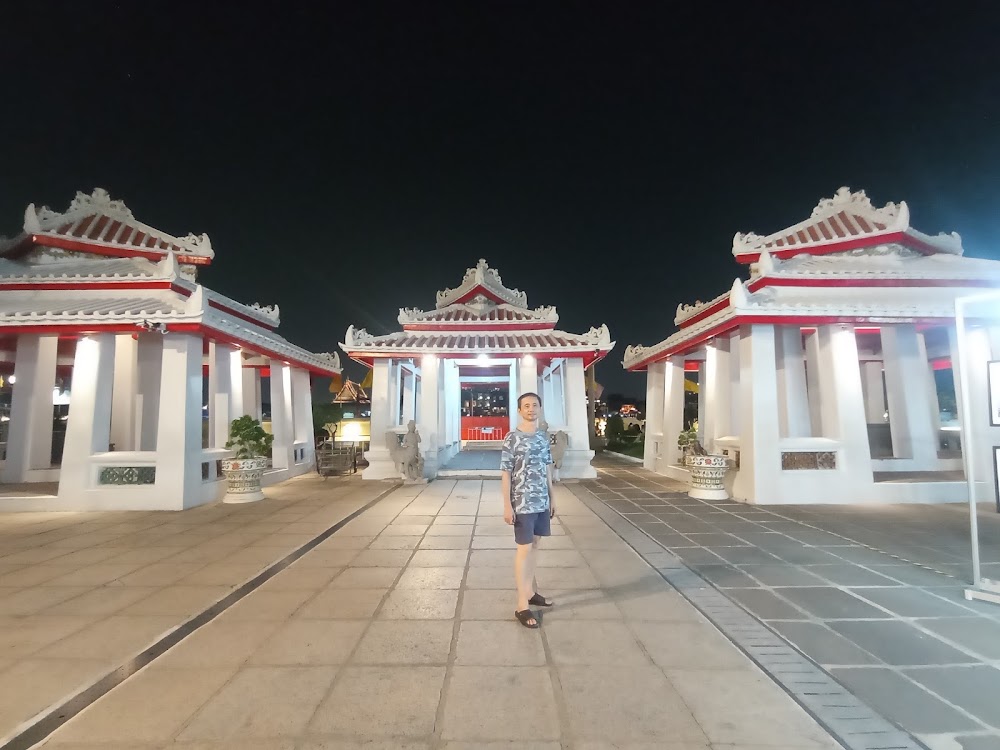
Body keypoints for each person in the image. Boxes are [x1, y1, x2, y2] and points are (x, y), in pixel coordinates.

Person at [501, 392, 556, 628]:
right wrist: (506, 504)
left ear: (540, 409)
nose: (531, 409)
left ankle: (531, 591)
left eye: (535, 405)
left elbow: (547, 469)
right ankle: (521, 604)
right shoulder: (512, 438)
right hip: (522, 501)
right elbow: (506, 472)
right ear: (519, 410)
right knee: (523, 549)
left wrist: (553, 498)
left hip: (542, 500)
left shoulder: (543, 438)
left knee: (536, 544)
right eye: (526, 406)